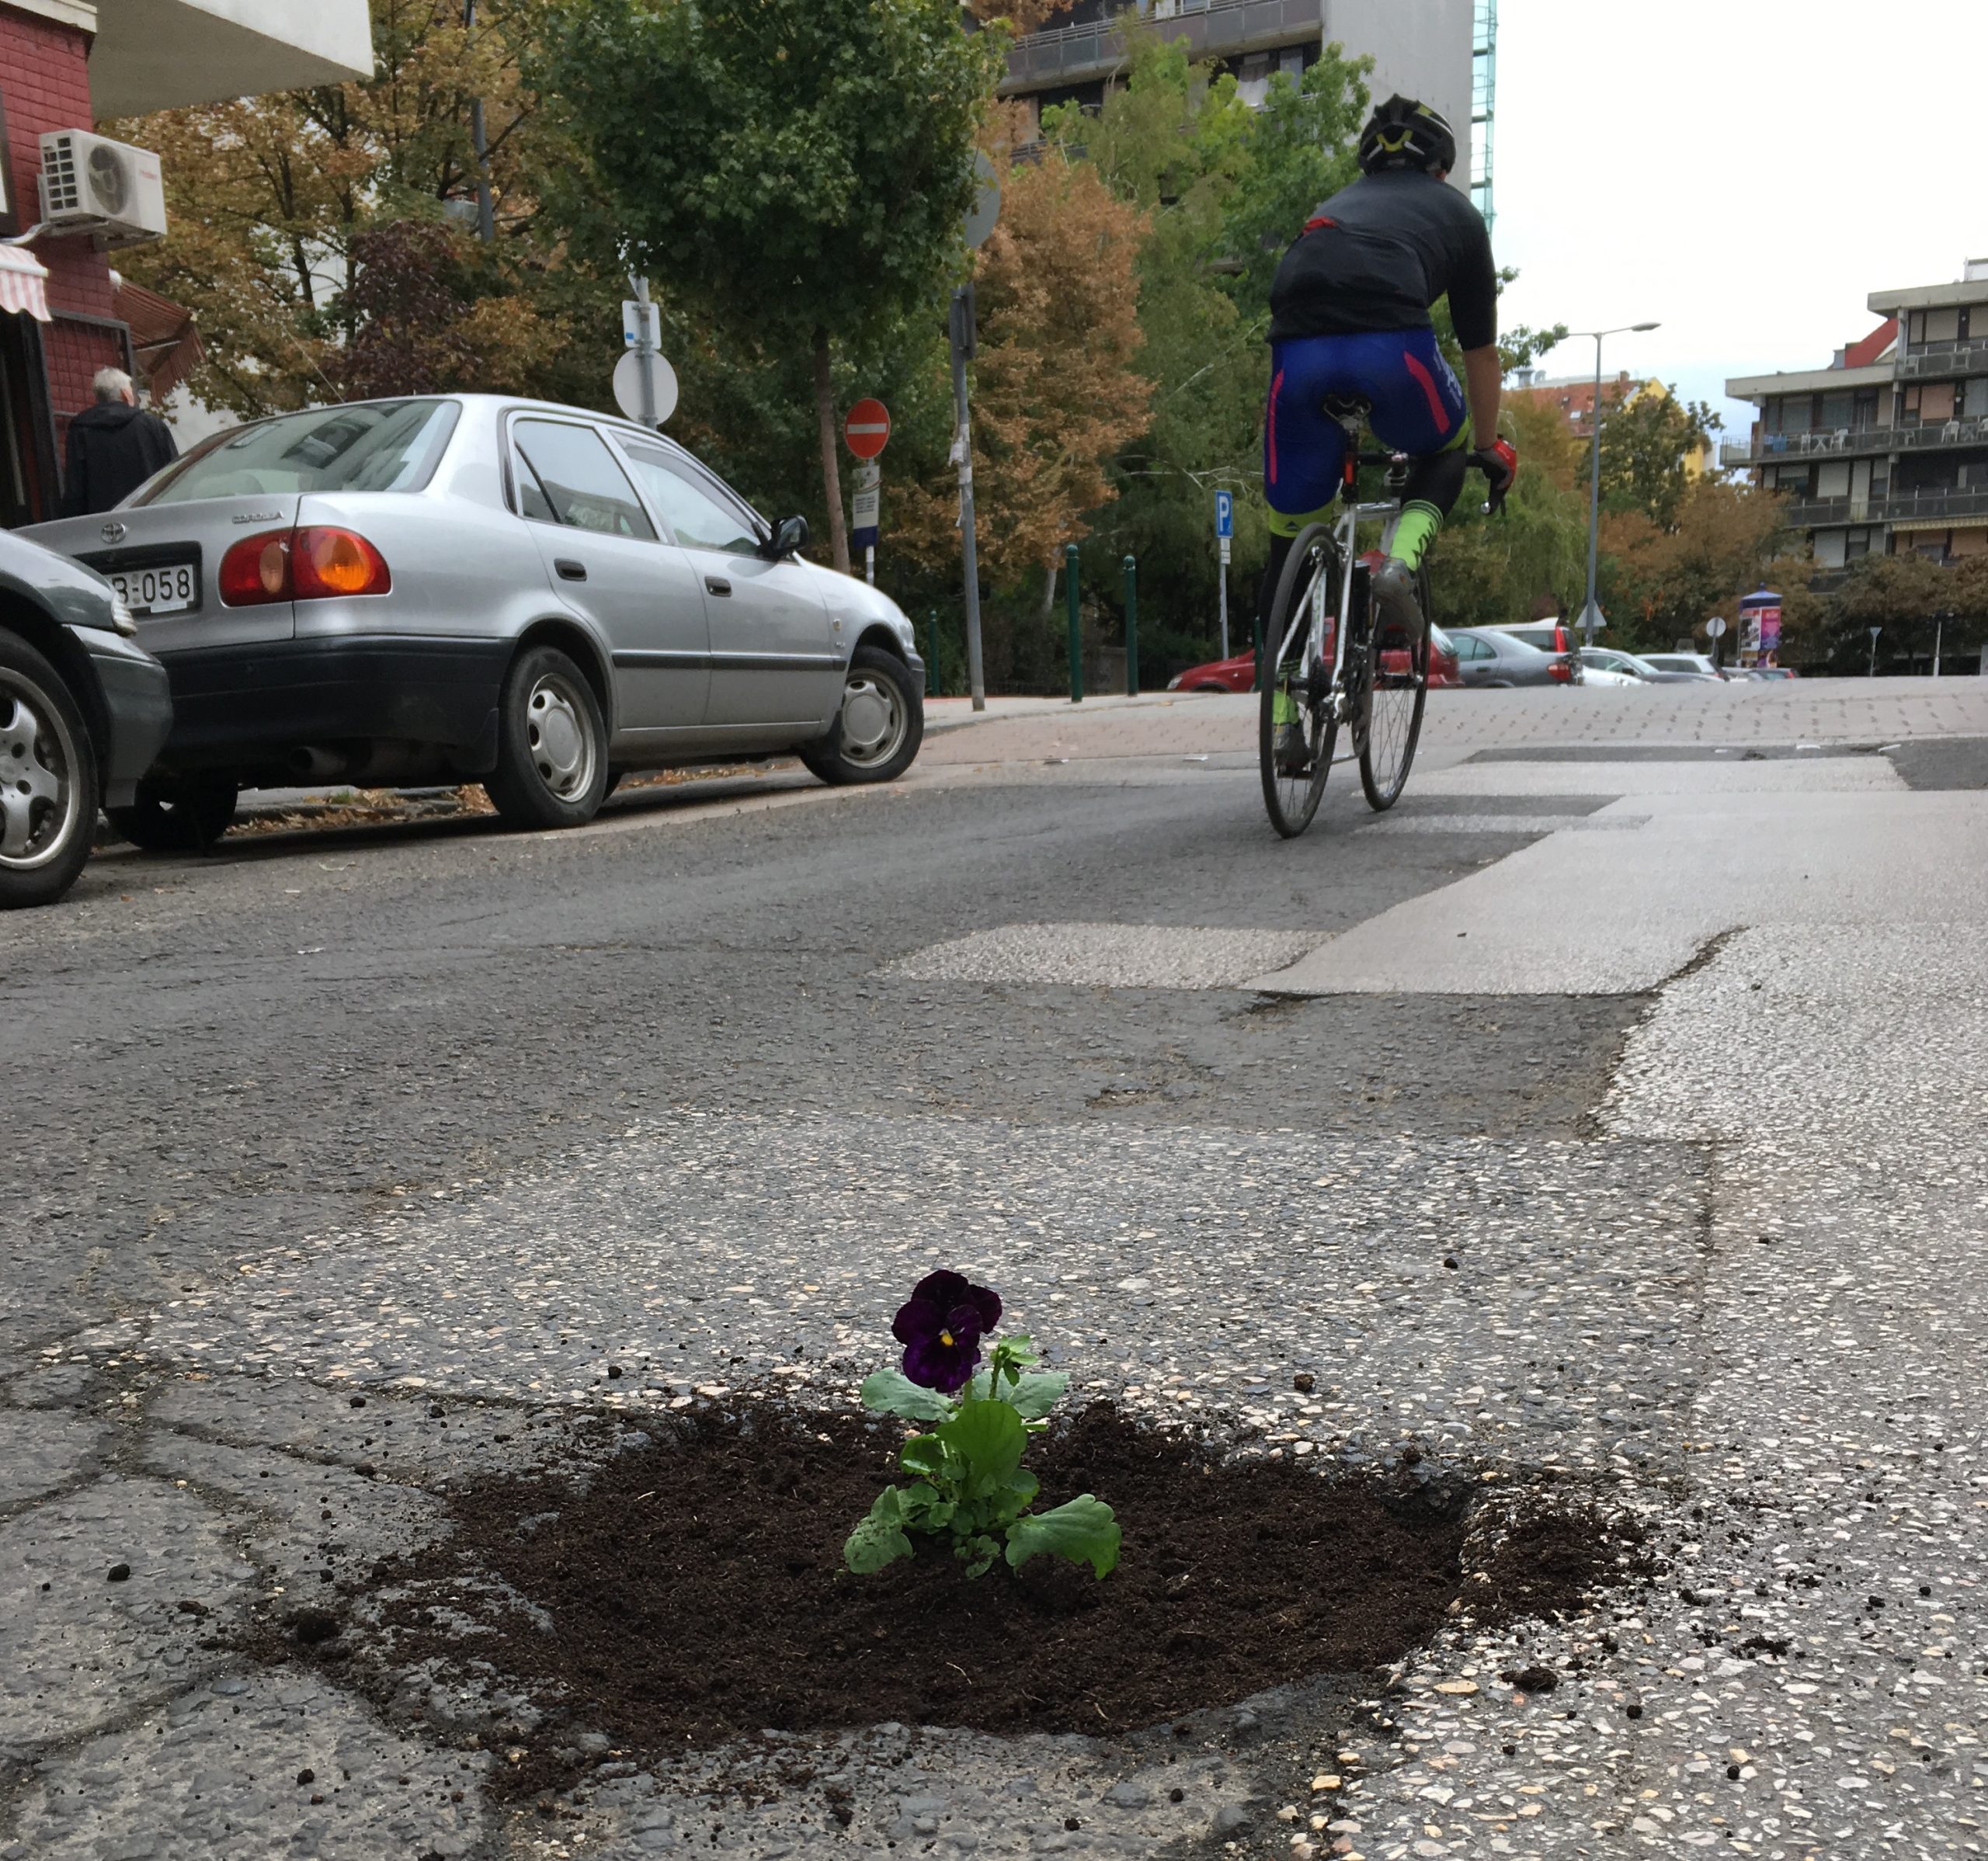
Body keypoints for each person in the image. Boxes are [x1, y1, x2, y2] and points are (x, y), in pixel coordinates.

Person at [1260, 95, 1517, 652]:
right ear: (1441, 169)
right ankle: (1399, 564)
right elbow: (1481, 353)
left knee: (1287, 546)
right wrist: (1488, 446)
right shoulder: (1459, 215)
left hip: (1297, 356)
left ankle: (1280, 698)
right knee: (1447, 450)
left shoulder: (1332, 206)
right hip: (1392, 350)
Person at [62, 366, 179, 516]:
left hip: (103, 522)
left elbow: (75, 490)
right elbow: (175, 474)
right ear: (125, 394)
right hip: (151, 515)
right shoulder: (152, 426)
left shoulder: (80, 431)